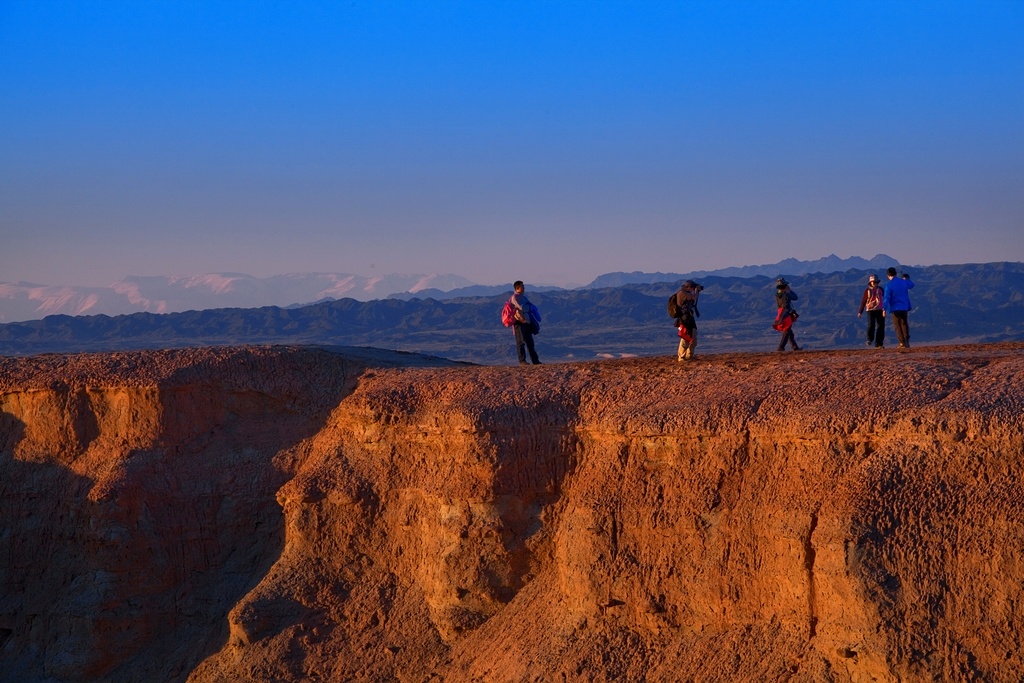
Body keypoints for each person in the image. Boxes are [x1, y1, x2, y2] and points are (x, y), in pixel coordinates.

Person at [510, 280, 541, 365]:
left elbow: (528, 306)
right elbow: (522, 308)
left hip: (526, 321)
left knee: (530, 342)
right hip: (519, 322)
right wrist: (529, 307)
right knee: (520, 342)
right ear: (517, 288)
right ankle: (522, 361)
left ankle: (535, 360)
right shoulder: (515, 298)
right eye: (522, 286)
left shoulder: (523, 297)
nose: (524, 288)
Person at [883, 267, 914, 350]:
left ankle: (902, 342)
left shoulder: (889, 285)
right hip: (904, 306)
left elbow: (886, 298)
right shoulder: (903, 282)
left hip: (895, 308)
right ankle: (906, 340)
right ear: (896, 274)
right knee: (904, 323)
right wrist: (906, 278)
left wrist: (884, 308)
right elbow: (911, 285)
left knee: (898, 325)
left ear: (888, 275)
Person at [674, 280, 703, 361]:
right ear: (688, 287)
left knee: (693, 336)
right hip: (684, 318)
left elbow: (692, 301)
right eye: (693, 287)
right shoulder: (682, 293)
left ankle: (689, 356)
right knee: (685, 337)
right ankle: (681, 357)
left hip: (690, 317)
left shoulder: (688, 293)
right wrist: (697, 291)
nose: (694, 289)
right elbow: (693, 297)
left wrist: (696, 291)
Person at [857, 274, 885, 348]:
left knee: (880, 326)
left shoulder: (881, 289)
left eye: (875, 282)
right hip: (870, 310)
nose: (874, 283)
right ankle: (869, 339)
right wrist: (860, 311)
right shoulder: (867, 291)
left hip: (879, 309)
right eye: (873, 282)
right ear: (870, 282)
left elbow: (885, 299)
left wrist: (885, 309)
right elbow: (864, 301)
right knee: (871, 324)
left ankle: (879, 343)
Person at [773, 277, 801, 352]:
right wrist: (789, 290)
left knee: (790, 332)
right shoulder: (786, 293)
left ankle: (795, 347)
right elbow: (795, 297)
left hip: (780, 313)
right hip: (786, 313)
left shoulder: (777, 294)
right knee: (787, 331)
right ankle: (781, 347)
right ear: (785, 286)